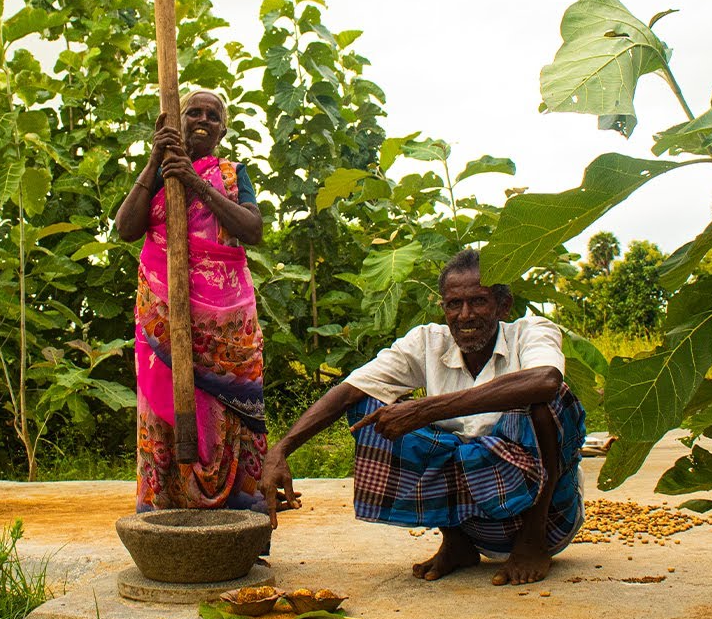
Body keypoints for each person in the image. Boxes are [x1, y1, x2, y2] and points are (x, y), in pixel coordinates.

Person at [258, 249, 585, 585]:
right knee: (369, 405)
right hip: (470, 515)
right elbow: (350, 391)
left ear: (504, 306)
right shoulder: (428, 342)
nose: (465, 315)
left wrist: (427, 409)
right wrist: (281, 449)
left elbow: (547, 380)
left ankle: (531, 543)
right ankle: (457, 542)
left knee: (547, 402)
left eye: (478, 301)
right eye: (454, 304)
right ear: (443, 308)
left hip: (547, 517)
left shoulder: (531, 332)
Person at [113, 89, 268, 513]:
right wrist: (155, 161)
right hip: (165, 317)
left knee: (230, 416)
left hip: (226, 327)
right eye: (193, 112)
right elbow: (126, 229)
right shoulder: (158, 174)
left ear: (223, 130)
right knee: (163, 415)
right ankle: (167, 516)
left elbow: (252, 230)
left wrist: (196, 182)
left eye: (212, 116)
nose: (202, 120)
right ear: (177, 122)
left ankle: (237, 520)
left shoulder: (233, 175)